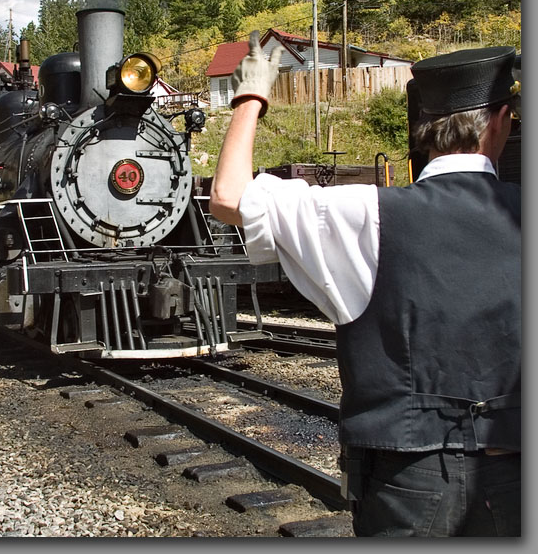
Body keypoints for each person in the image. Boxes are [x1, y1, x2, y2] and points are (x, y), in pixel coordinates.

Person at [209, 32, 521, 537]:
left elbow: (228, 196)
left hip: (406, 481)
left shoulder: (364, 213)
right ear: (502, 122)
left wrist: (251, 96)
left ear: (423, 129)